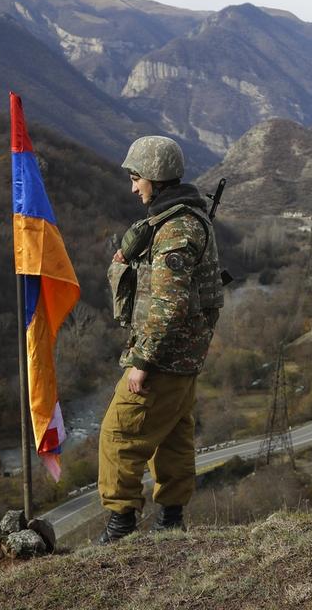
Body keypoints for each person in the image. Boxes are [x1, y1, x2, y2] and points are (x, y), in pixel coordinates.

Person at [98, 136, 223, 544]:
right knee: (172, 437)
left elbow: (170, 304)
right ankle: (170, 522)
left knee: (119, 435)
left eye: (137, 178)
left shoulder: (176, 228)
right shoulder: (179, 220)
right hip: (182, 357)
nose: (134, 187)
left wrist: (142, 361)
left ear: (155, 177)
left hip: (164, 358)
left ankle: (120, 528)